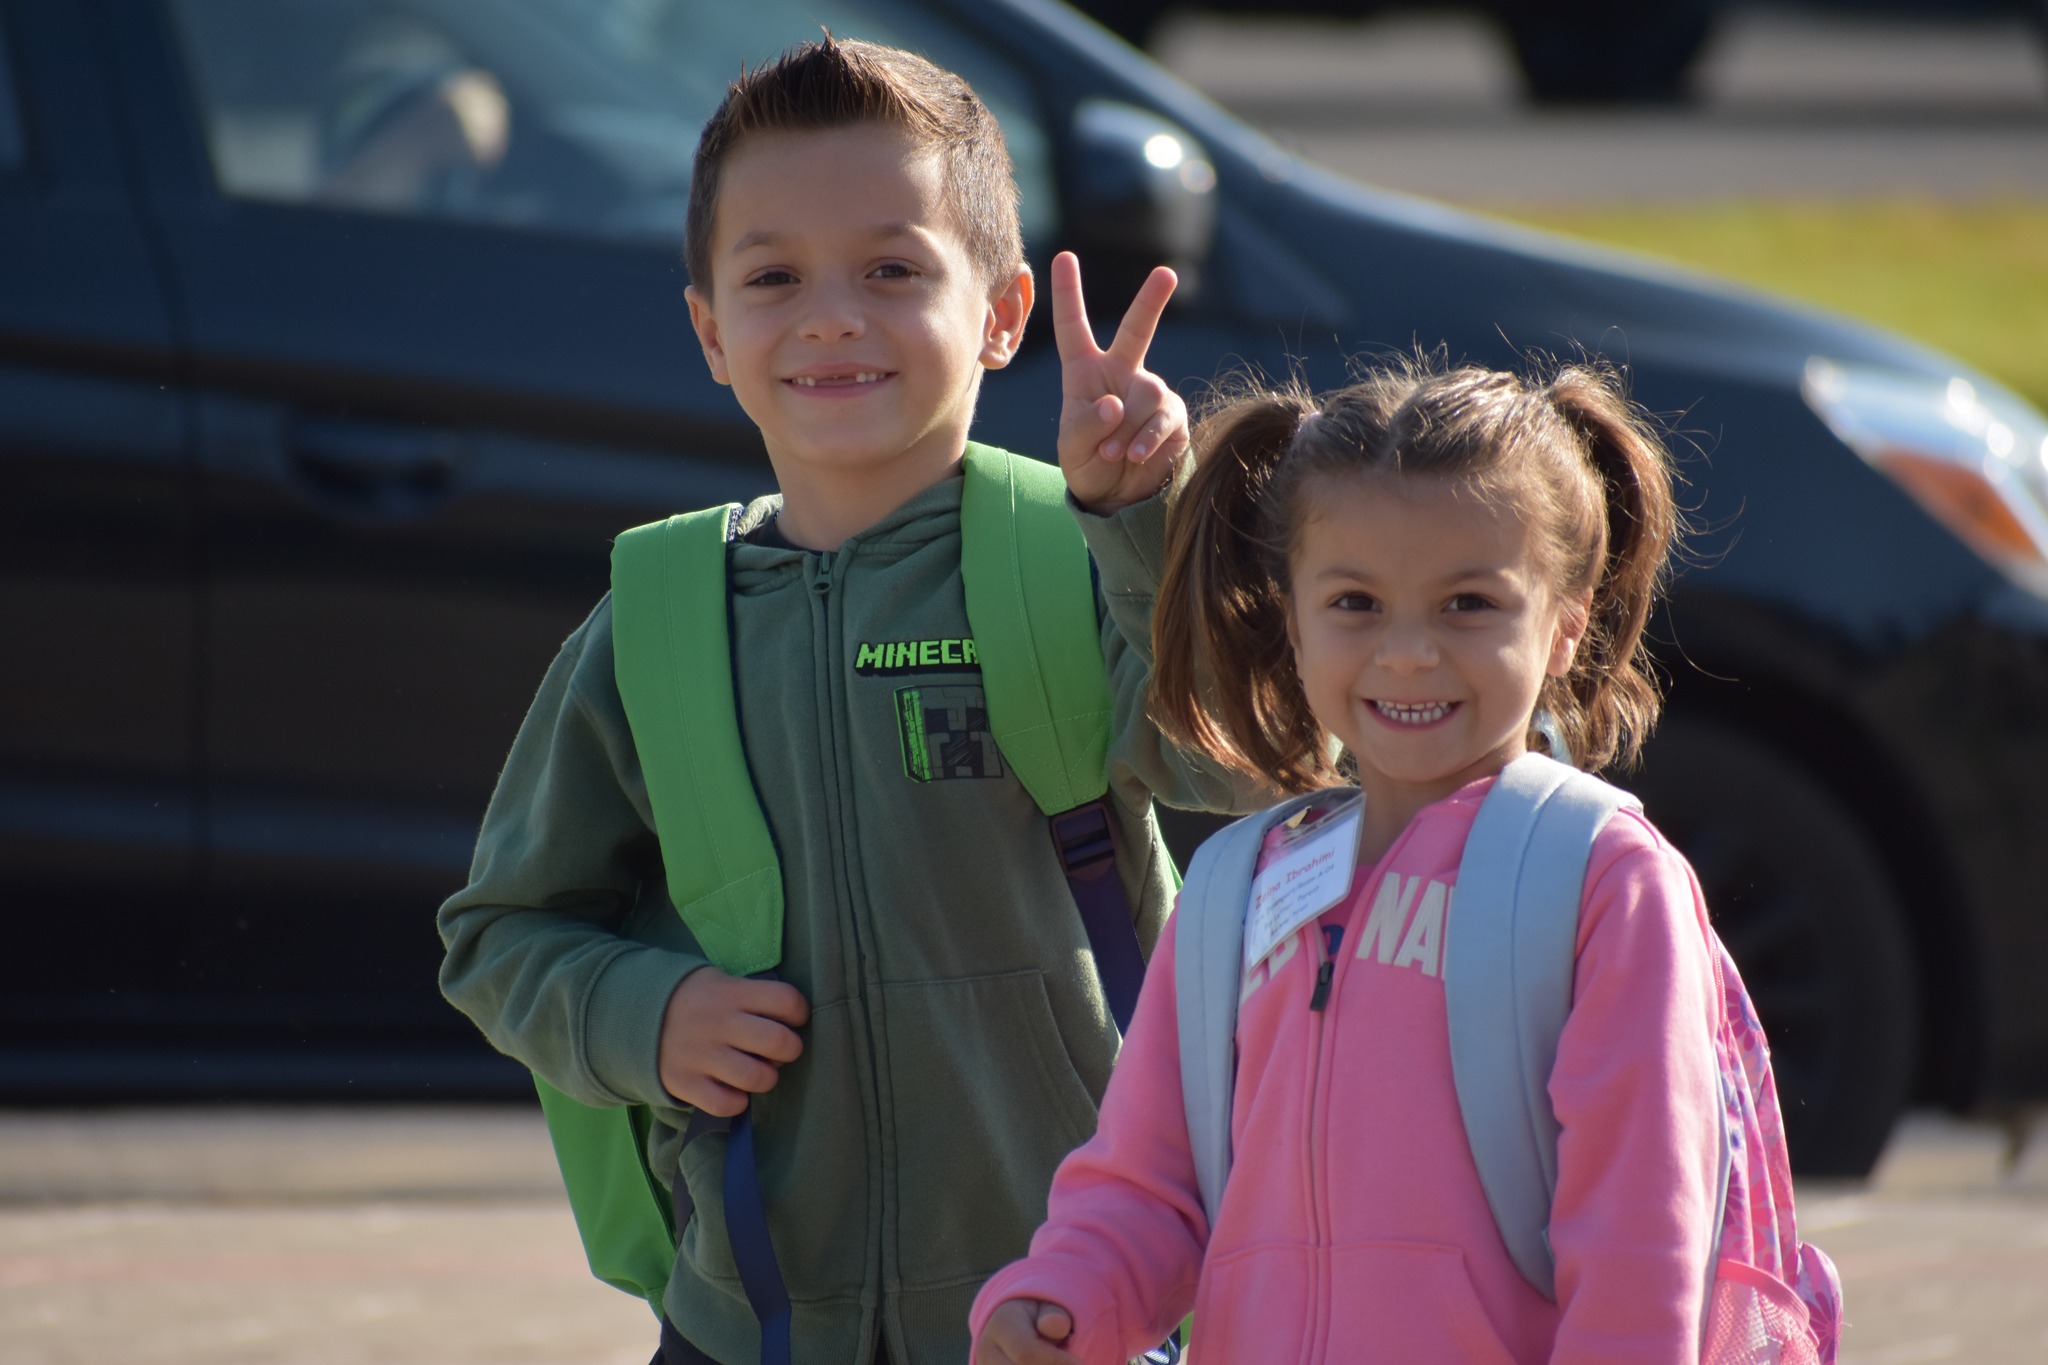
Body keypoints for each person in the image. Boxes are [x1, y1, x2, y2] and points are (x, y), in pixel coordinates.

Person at [438, 37, 1250, 1365]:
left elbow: (1240, 760)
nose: (832, 316)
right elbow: (500, 936)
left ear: (998, 317)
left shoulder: (1077, 559)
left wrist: (1146, 522)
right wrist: (647, 1016)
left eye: (891, 269)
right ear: (712, 330)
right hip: (749, 1321)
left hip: (1067, 1313)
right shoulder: (654, 619)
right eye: (774, 277)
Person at [972, 358, 1759, 1363]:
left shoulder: (1600, 879)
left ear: (1564, 626)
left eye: (1467, 604)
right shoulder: (1231, 887)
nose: (1406, 654)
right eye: (1352, 603)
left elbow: (1640, 1242)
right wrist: (1060, 1299)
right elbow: (1146, 1183)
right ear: (1288, 619)